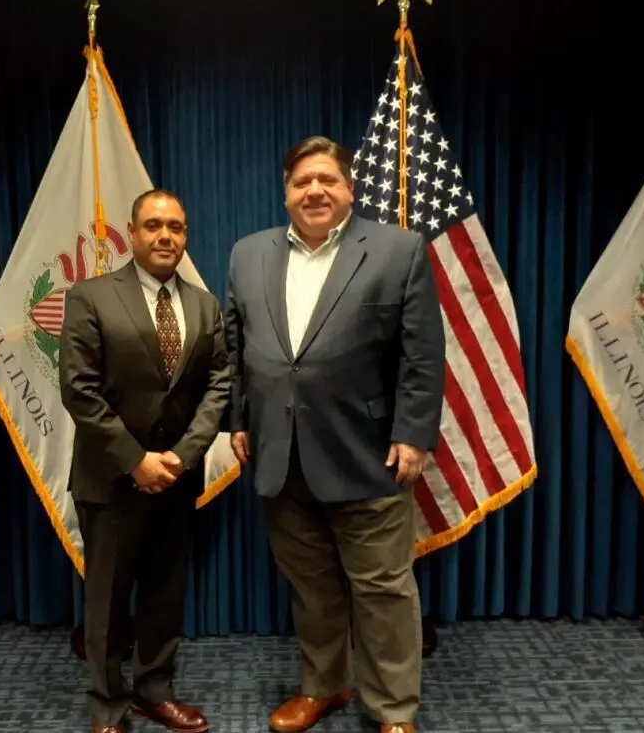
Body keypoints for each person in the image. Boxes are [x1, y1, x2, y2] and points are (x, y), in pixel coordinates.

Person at [224, 136, 445, 733]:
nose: (314, 191)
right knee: (312, 586)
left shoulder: (399, 250)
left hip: (368, 453)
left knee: (383, 591)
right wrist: (238, 422)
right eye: (301, 182)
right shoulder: (248, 254)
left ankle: (393, 709)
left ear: (350, 189)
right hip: (278, 455)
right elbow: (235, 349)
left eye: (327, 180)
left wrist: (415, 433)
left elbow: (422, 354)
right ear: (286, 192)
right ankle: (325, 687)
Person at [59, 189, 230, 733]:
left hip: (175, 481)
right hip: (111, 478)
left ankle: (155, 690)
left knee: (164, 591)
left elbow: (220, 385)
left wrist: (180, 457)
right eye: (153, 225)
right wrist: (136, 460)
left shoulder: (204, 306)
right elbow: (78, 389)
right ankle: (107, 705)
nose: (165, 236)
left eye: (176, 227)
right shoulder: (90, 297)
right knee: (107, 600)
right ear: (131, 233)